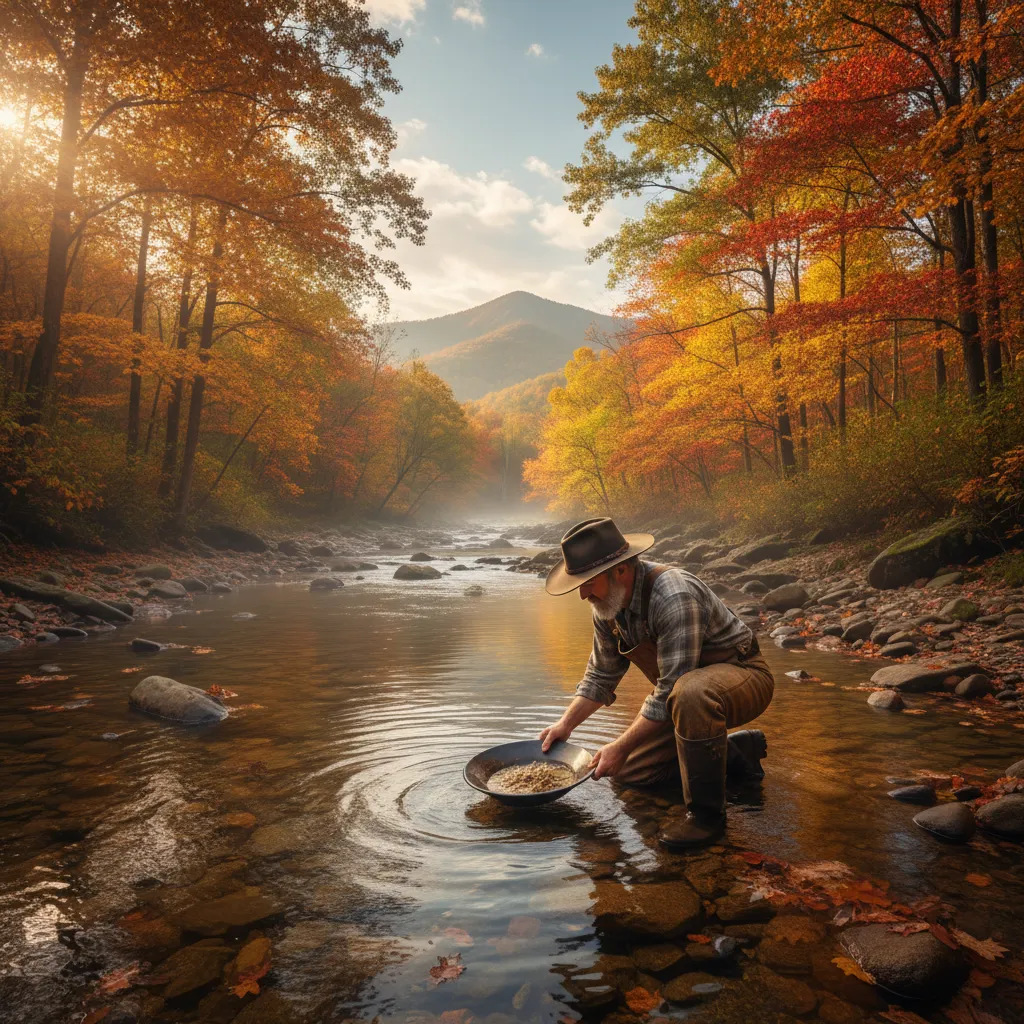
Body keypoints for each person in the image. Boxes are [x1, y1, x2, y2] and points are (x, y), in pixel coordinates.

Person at [539, 517, 774, 849]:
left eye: (588, 581)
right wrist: (565, 725)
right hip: (681, 697)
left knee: (691, 693)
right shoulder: (607, 607)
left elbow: (672, 686)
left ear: (620, 570)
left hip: (744, 678)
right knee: (629, 774)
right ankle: (735, 754)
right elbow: (600, 676)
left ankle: (707, 819)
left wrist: (619, 745)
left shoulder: (673, 594)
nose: (582, 594)